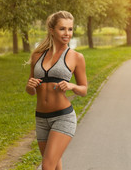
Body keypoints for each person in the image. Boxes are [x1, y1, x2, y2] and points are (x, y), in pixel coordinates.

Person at [26, 11, 87, 170]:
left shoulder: (76, 57)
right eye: (62, 29)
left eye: (70, 29)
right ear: (52, 30)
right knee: (54, 166)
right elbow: (31, 90)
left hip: (63, 117)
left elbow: (84, 89)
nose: (67, 33)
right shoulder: (37, 56)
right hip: (41, 118)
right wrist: (29, 86)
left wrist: (72, 86)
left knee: (47, 166)